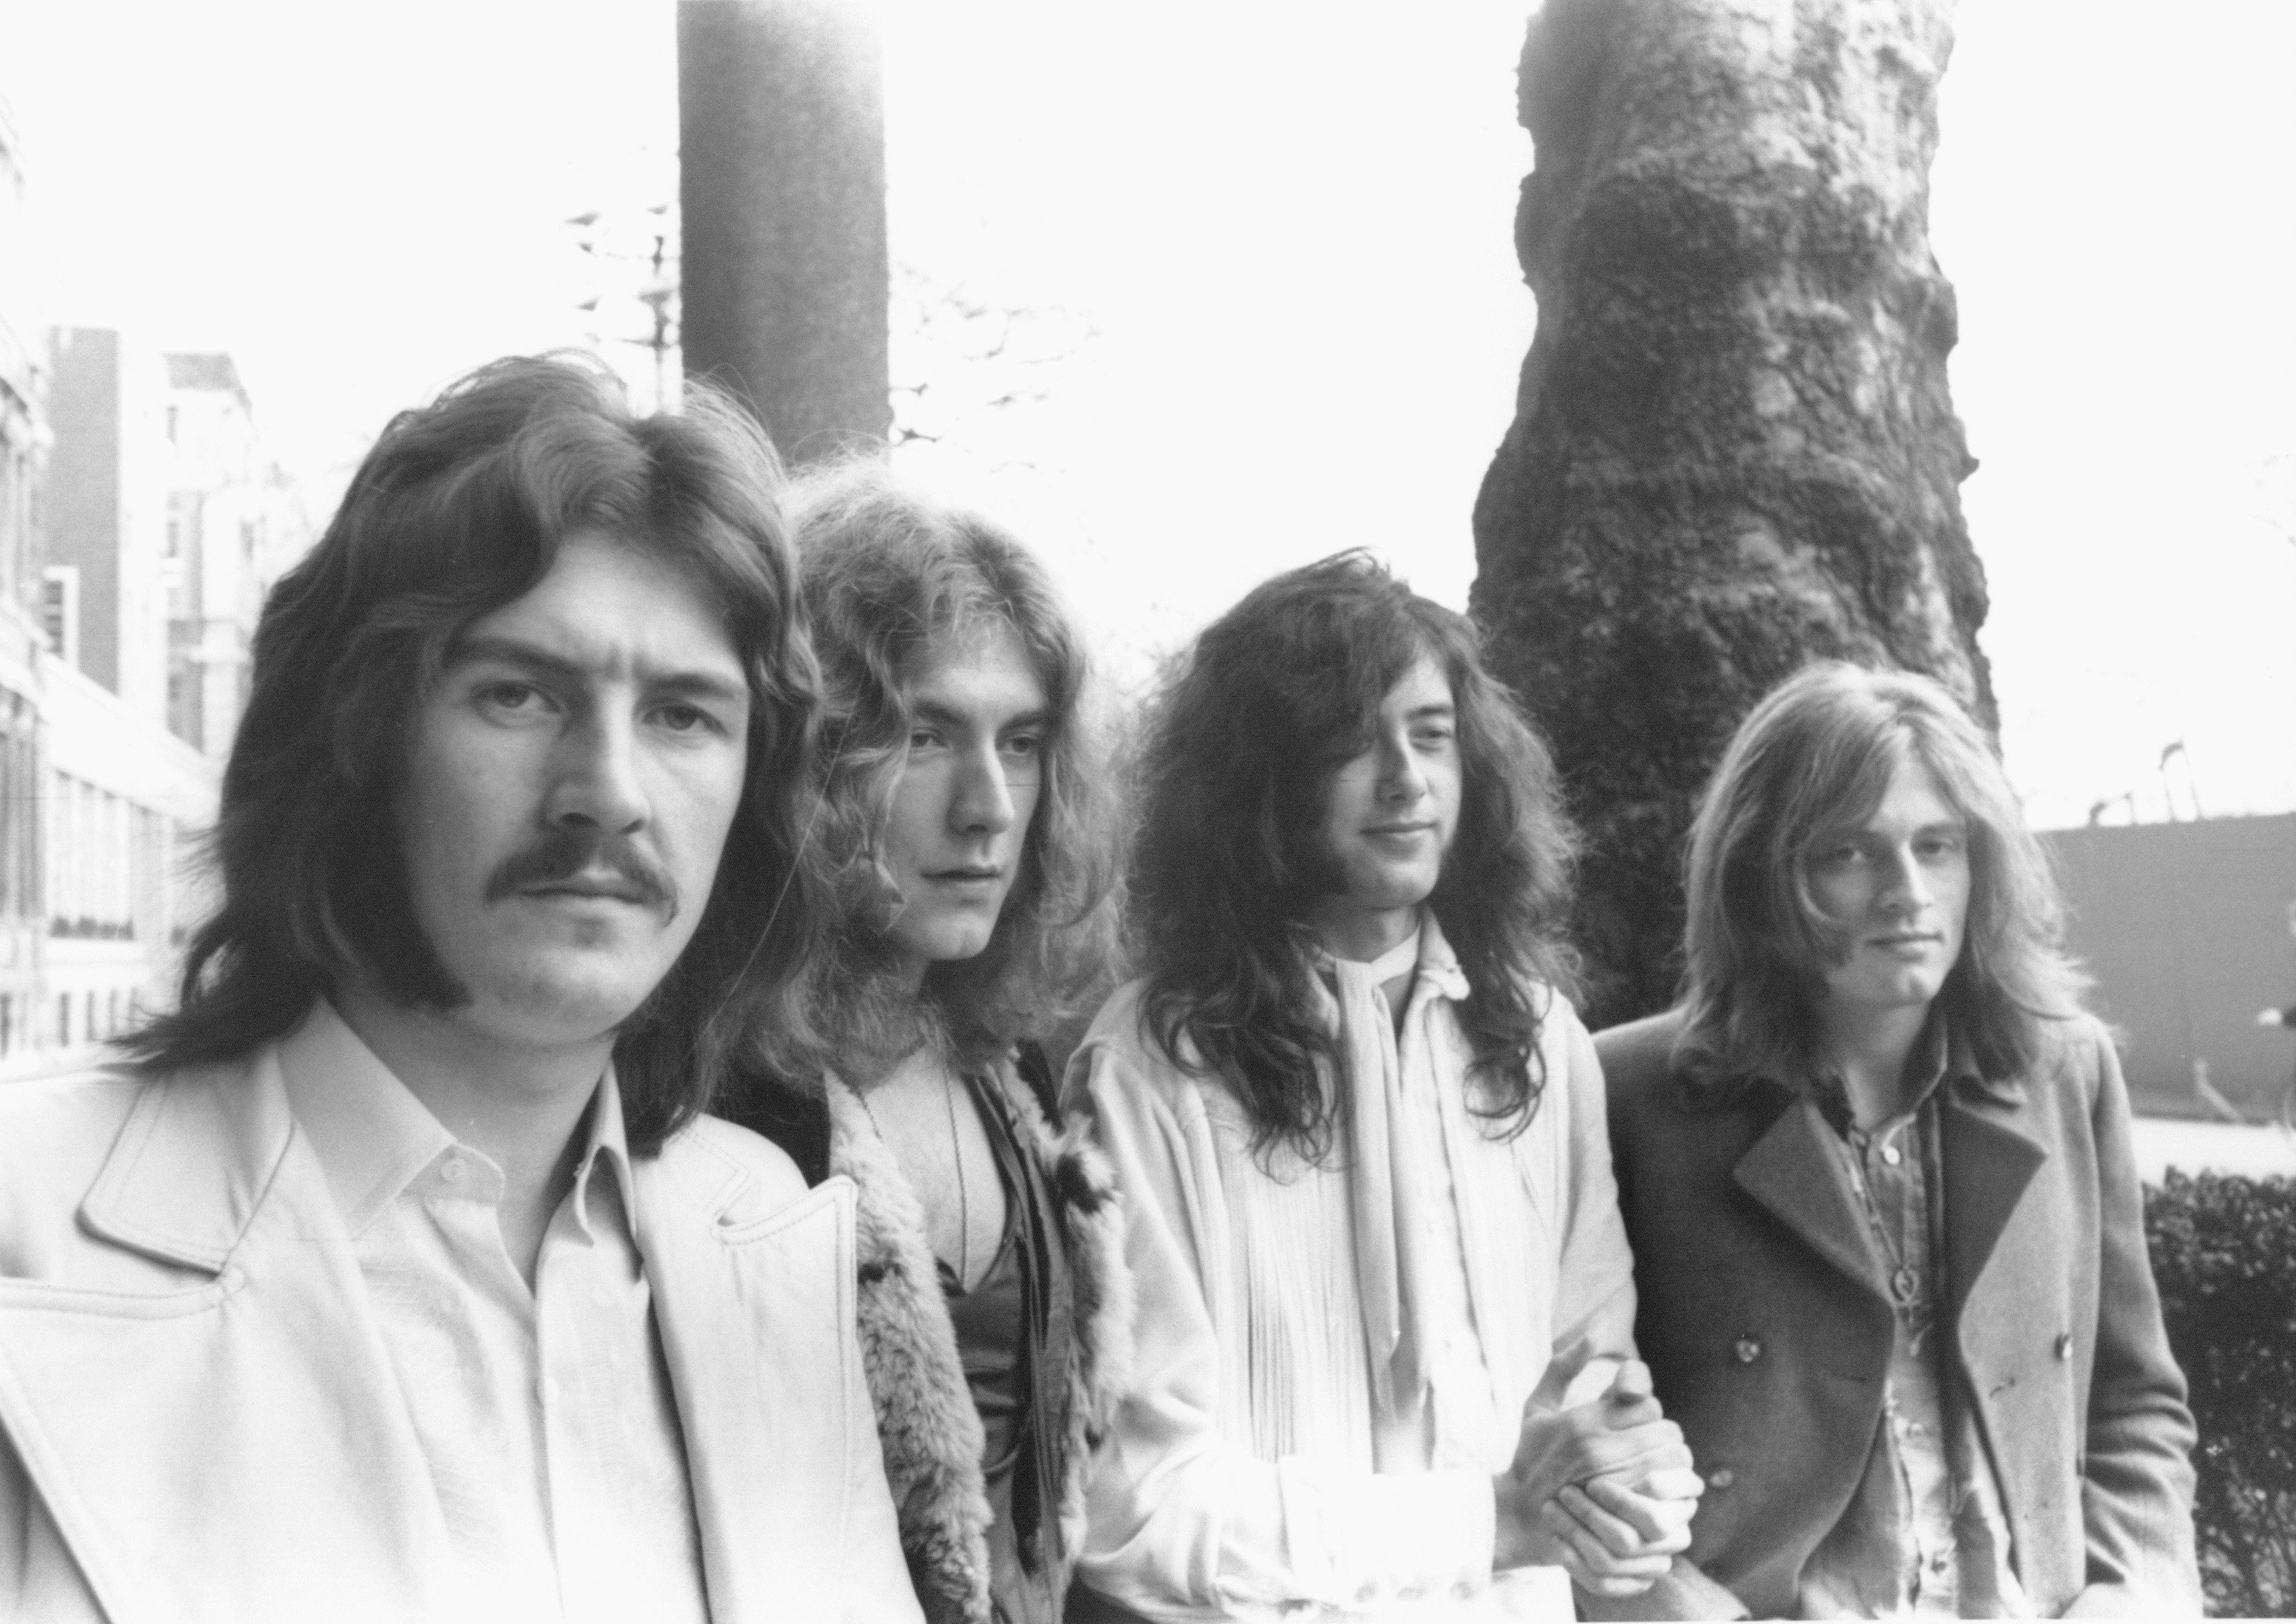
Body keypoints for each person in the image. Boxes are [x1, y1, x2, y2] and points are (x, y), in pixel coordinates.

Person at [0, 357, 920, 1622]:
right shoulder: (29, 1215)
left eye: (682, 715)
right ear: (355, 739)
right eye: (517, 693)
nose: (607, 791)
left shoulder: (759, 1224)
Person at [1066, 552, 1715, 1621]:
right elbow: (1137, 1506)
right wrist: (1487, 1521)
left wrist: (1621, 1483)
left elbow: (1590, 1374)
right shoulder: (1154, 1065)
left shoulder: (1534, 1037)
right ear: (1257, 779)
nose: (1405, 778)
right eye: (1348, 741)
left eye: (1429, 733)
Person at [1599, 661, 2201, 1618]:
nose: (1906, 891)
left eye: (1937, 845)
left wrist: (2131, 1597)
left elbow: (2134, 1406)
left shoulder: (2064, 1071)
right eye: (1847, 852)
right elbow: (1578, 1444)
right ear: (1761, 874)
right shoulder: (1627, 1094)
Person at [721, 464, 1129, 1624]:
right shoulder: (719, 1104)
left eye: (1023, 741)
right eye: (926, 733)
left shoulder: (1009, 1072)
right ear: (812, 757)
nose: (989, 805)